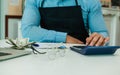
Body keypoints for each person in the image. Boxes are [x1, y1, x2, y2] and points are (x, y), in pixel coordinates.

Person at [21, 0, 110, 46]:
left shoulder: (90, 1)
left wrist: (100, 39)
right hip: (48, 56)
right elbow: (28, 31)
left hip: (82, 56)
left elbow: (102, 33)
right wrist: (65, 38)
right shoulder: (34, 1)